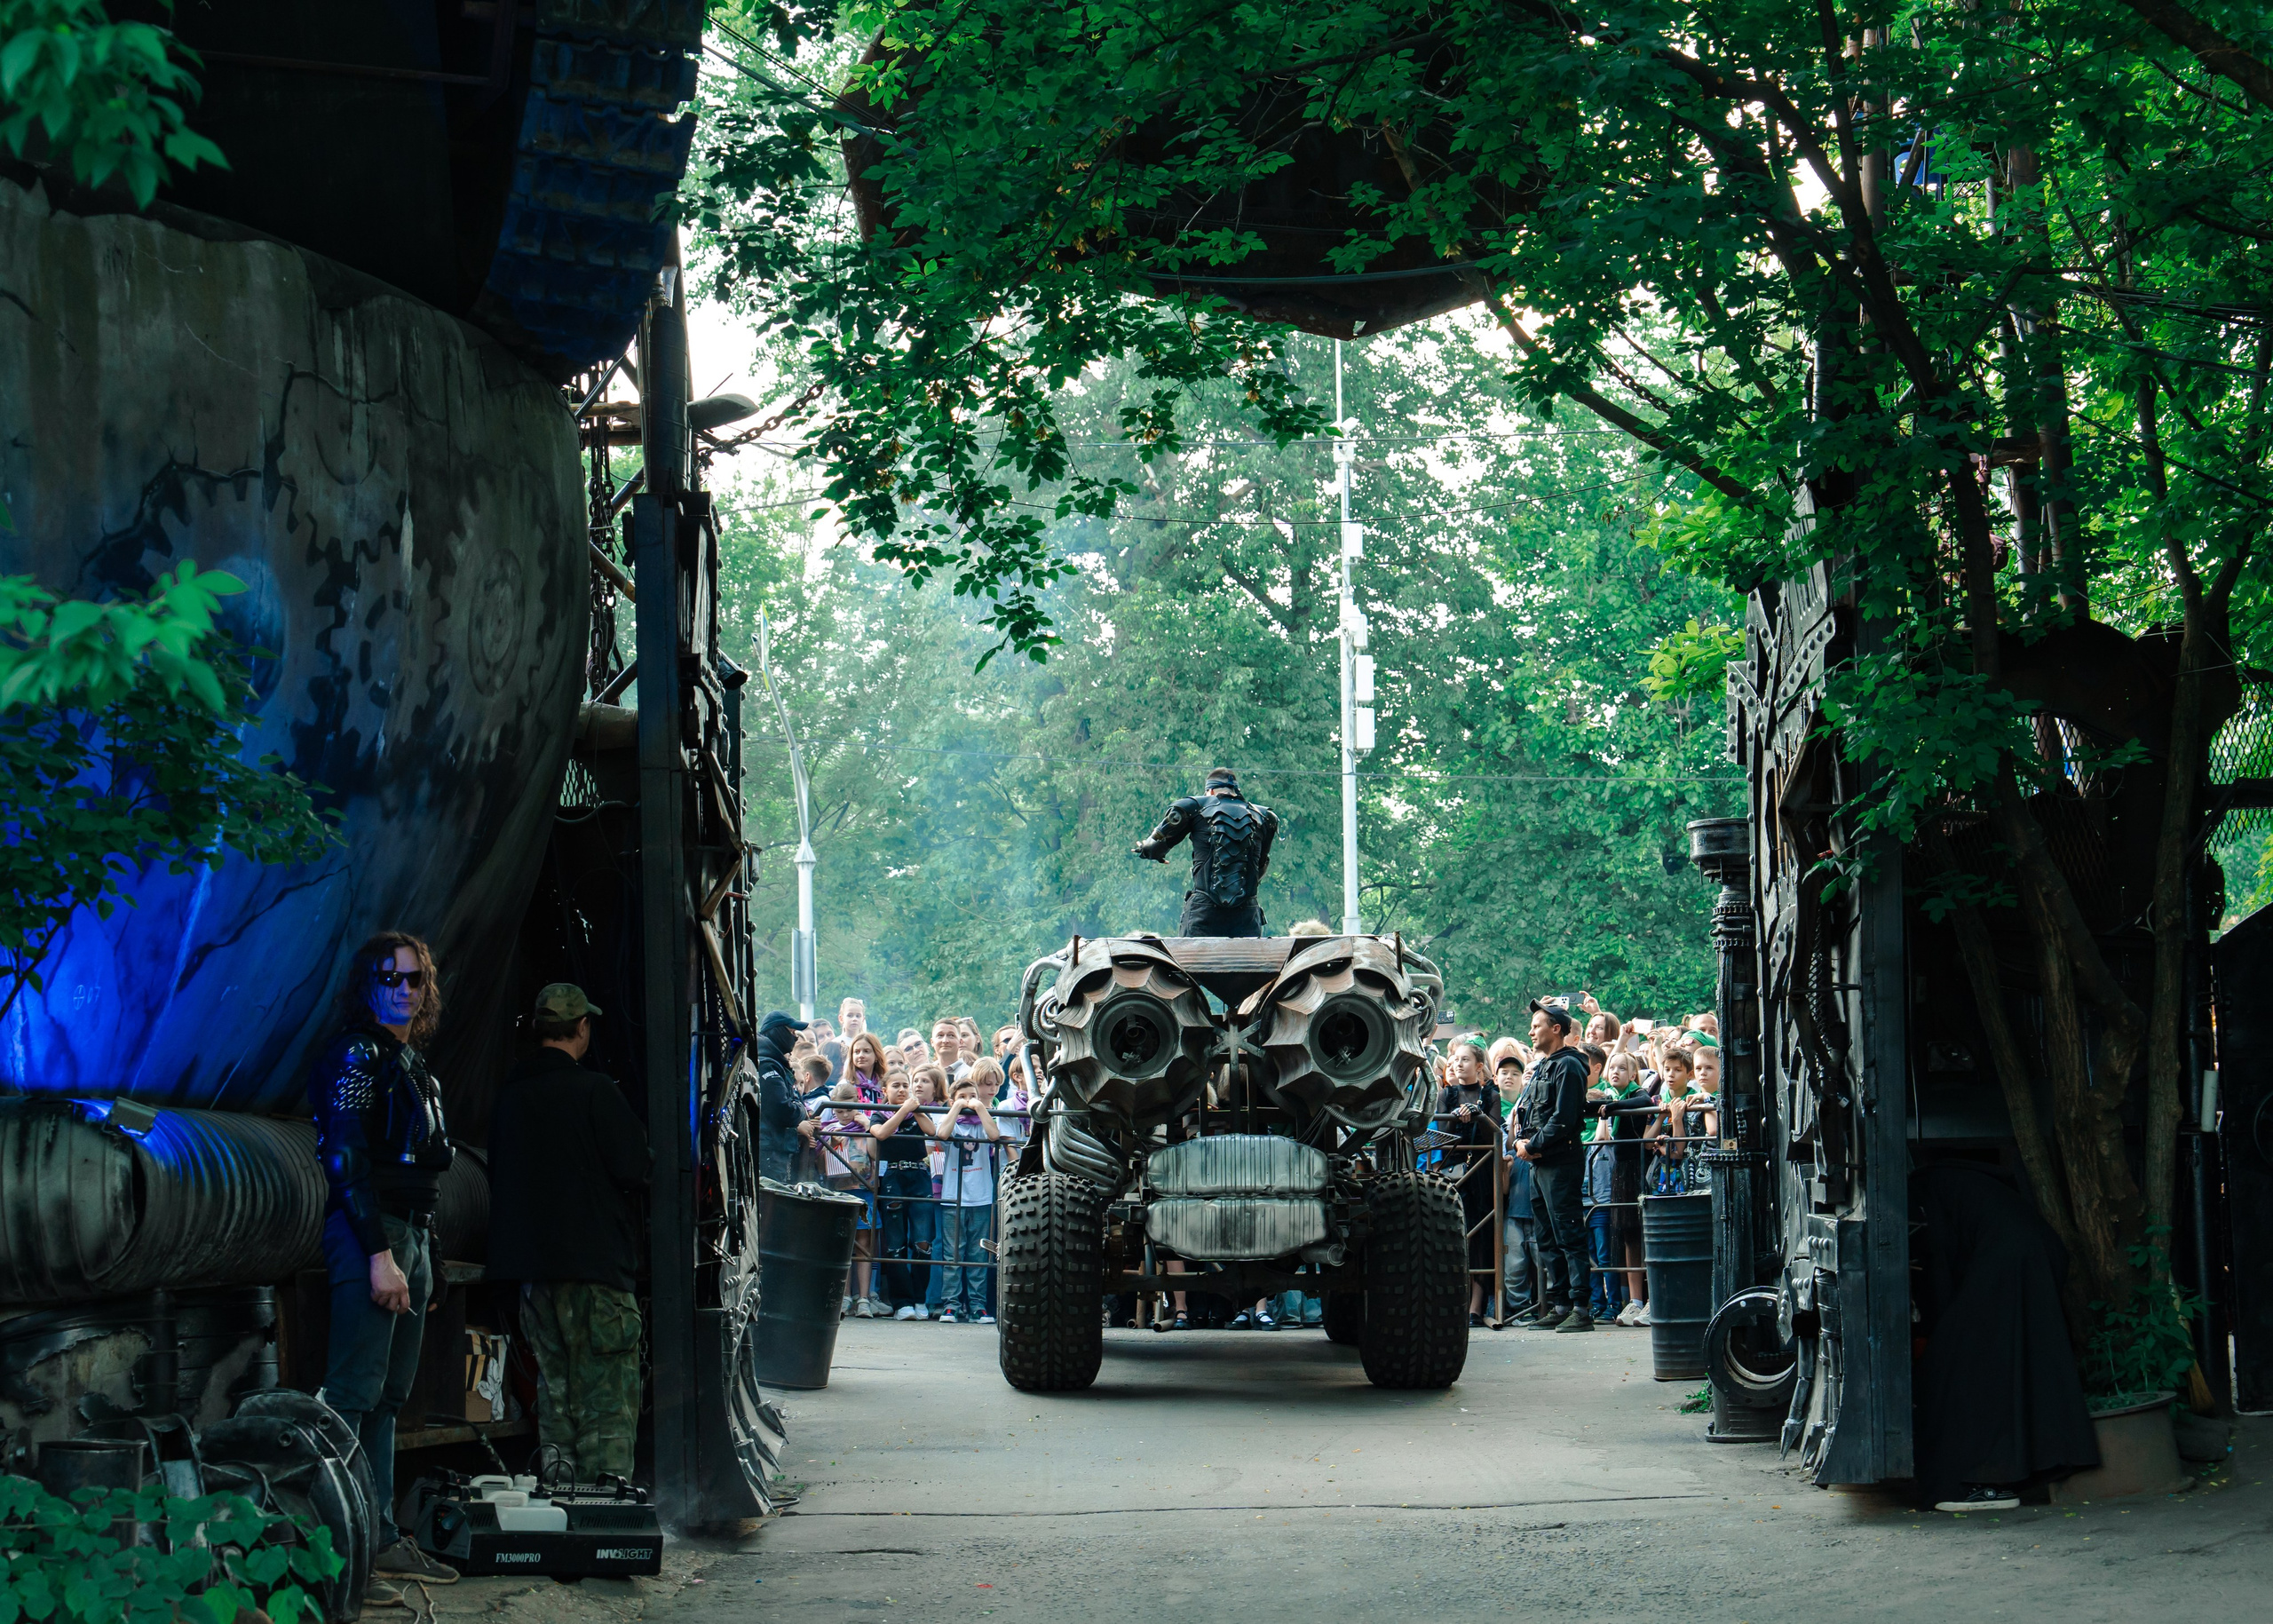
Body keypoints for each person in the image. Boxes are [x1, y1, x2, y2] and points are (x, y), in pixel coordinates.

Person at [305, 931, 461, 1601]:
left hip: (411, 1237)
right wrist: (378, 1253)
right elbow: (344, 1159)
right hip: (376, 1237)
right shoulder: (356, 1055)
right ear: (368, 983)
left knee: (388, 1398)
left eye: (415, 979)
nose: (404, 989)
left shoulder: (410, 1061)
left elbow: (424, 1170)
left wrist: (427, 1257)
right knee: (353, 1397)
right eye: (391, 977)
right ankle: (345, 1558)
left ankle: (378, 1538)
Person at [487, 984, 651, 1486]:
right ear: (582, 1028)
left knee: (555, 1397)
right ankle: (606, 1515)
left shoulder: (509, 1097)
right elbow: (636, 1168)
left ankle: (561, 1507)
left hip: (535, 1277)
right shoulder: (595, 1091)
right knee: (606, 1401)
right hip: (597, 1274)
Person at [1511, 998, 1591, 1331]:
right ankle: (1560, 1304)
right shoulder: (1544, 1065)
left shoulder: (1569, 1065)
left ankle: (1581, 1309)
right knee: (1546, 1236)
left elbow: (1565, 1117)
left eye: (1538, 1025)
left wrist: (1532, 1145)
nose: (1531, 1031)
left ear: (1556, 1029)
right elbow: (1528, 1114)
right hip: (1538, 1164)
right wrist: (1519, 1143)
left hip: (1559, 1163)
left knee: (1568, 1234)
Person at [1131, 766, 1279, 937]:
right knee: (1247, 963)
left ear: (1209, 790)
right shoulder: (1265, 816)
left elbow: (1152, 848)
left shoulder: (1194, 807)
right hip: (1247, 914)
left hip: (1204, 912)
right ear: (1235, 790)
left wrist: (1145, 850)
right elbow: (1261, 865)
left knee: (1191, 963)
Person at [932, 1072, 1004, 1324]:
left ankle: (978, 1305)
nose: (968, 1101)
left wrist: (979, 1107)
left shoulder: (983, 1122)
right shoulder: (952, 1121)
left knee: (978, 1254)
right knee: (953, 1254)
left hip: (981, 1198)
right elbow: (942, 1135)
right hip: (953, 1198)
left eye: (972, 1096)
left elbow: (994, 1135)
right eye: (962, 1097)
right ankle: (950, 1305)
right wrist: (958, 1107)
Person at [1437, 1040, 1500, 1326]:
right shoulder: (1446, 1094)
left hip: (1482, 1174)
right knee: (1454, 1238)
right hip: (1454, 1175)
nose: (1458, 1064)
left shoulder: (1490, 1094)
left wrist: (1479, 1115)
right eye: (1455, 1059)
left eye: (1465, 1060)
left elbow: (1496, 1132)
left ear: (1479, 1065)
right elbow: (1443, 1133)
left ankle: (1476, 1307)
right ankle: (1453, 1305)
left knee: (1481, 1239)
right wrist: (1457, 1117)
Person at [871, 1073, 941, 1319]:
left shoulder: (919, 1111)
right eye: (896, 1086)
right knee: (895, 1243)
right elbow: (881, 1134)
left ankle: (920, 1299)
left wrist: (916, 1109)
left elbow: (932, 1132)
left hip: (920, 1175)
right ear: (884, 1090)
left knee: (923, 1241)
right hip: (893, 1177)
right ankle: (902, 1303)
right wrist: (903, 1110)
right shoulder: (879, 1112)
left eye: (905, 1085)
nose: (902, 1089)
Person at [820, 1081, 886, 1317]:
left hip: (864, 1191)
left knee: (864, 1246)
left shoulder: (866, 1125)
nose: (845, 1115)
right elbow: (820, 1161)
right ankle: (845, 1296)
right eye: (839, 1111)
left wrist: (868, 1126)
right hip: (839, 1193)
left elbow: (875, 1153)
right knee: (843, 1247)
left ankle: (865, 1298)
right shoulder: (828, 1129)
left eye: (849, 1109)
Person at [1494, 1051, 1540, 1325]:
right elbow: (1510, 1144)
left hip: (1537, 1207)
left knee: (1543, 1262)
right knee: (1514, 1267)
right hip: (1514, 1207)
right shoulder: (1511, 1112)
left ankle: (1546, 1307)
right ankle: (1519, 1310)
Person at [756, 1011, 814, 1184]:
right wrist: (801, 1110)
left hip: (775, 1149)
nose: (795, 1038)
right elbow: (782, 1109)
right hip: (770, 1151)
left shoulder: (775, 1063)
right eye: (791, 1032)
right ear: (778, 1032)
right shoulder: (767, 1065)